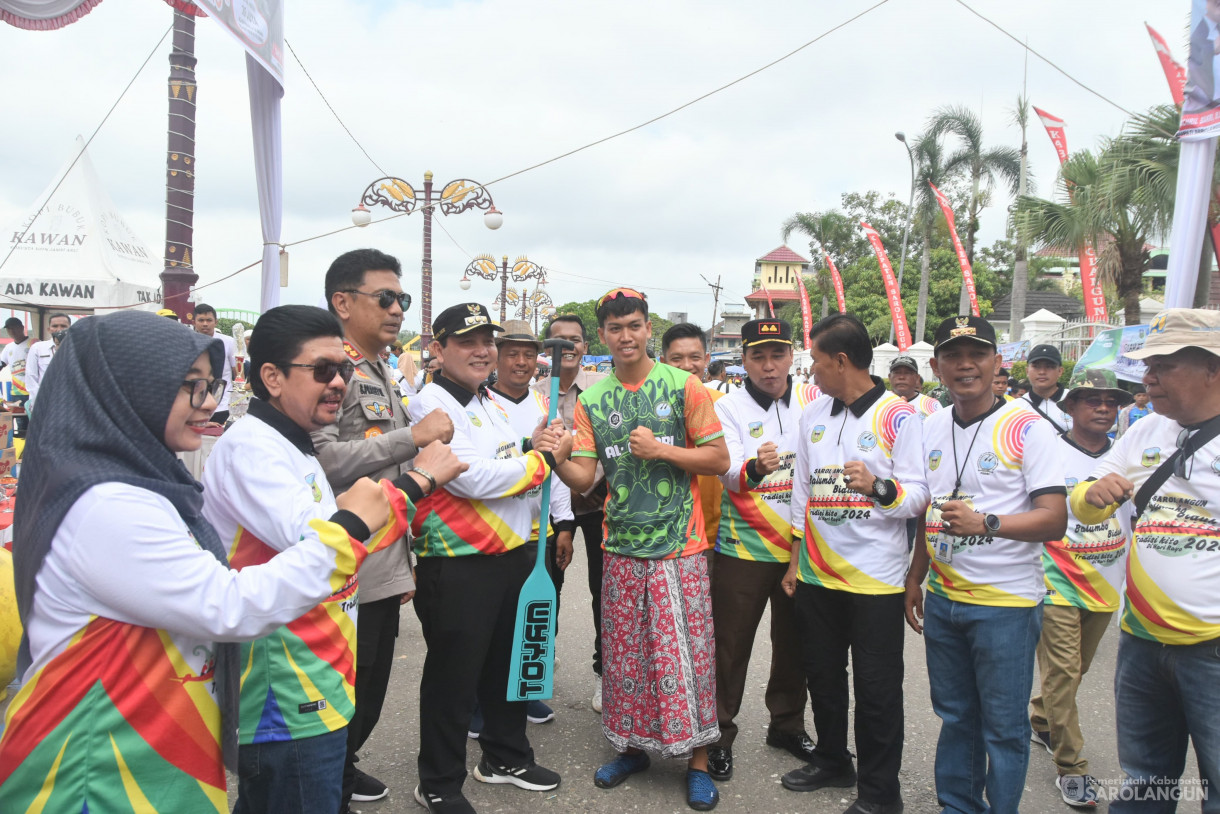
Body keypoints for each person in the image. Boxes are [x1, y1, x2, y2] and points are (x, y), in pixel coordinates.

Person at [0, 311, 401, 813]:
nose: (209, 401)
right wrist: (351, 529)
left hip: (148, 756)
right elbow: (228, 605)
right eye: (189, 386)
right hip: (98, 774)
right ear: (126, 390)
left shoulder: (131, 483)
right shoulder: (107, 505)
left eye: (210, 384)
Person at [201, 305, 463, 813]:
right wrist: (417, 481)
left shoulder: (292, 444)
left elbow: (347, 538)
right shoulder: (252, 448)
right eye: (322, 370)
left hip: (319, 671)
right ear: (271, 377)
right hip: (285, 687)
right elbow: (323, 545)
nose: (339, 383)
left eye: (342, 369)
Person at [553, 288, 729, 812]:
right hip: (621, 547)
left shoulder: (684, 387)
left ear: (648, 328)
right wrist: (558, 457)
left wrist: (661, 450)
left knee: (687, 657)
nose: (625, 336)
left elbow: (718, 458)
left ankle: (697, 760)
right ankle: (630, 748)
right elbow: (586, 477)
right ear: (603, 336)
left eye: (633, 325)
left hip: (681, 546)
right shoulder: (593, 400)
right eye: (614, 328)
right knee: (625, 655)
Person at [409, 302, 568, 814]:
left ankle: (504, 757)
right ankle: (438, 781)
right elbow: (471, 475)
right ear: (438, 350)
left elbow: (506, 456)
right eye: (466, 342)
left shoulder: (488, 401)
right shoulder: (430, 404)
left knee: (509, 665)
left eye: (486, 342)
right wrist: (540, 459)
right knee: (453, 680)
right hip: (457, 561)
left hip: (512, 555)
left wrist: (529, 447)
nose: (482, 351)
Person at [904, 315, 1067, 814]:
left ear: (998, 363)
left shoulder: (1027, 427)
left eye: (977, 354)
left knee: (1004, 727)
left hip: (1007, 606)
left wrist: (987, 523)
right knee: (956, 717)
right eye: (953, 356)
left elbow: (1054, 519)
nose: (965, 365)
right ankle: (958, 805)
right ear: (937, 367)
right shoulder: (929, 425)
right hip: (947, 601)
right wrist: (915, 578)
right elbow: (930, 507)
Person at [311, 248, 454, 811]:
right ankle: (330, 784)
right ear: (342, 303)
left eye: (404, 299)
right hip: (349, 557)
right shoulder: (334, 369)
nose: (398, 310)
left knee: (366, 689)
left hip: (382, 554)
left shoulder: (376, 366)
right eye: (385, 298)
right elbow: (324, 461)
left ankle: (341, 769)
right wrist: (413, 439)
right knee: (350, 688)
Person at [1074, 308, 1220, 811]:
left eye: (1164, 365)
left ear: (1213, 368)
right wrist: (1092, 494)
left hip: (1212, 650)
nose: (1148, 377)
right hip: (1140, 640)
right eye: (1148, 365)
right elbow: (1081, 502)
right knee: (1143, 783)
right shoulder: (1145, 431)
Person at [780, 314, 927, 814]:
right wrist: (795, 558)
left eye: (817, 363)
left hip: (875, 582)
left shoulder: (899, 417)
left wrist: (880, 488)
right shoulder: (814, 415)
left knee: (877, 691)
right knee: (822, 674)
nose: (812, 373)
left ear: (841, 361)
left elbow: (919, 496)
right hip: (817, 574)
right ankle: (832, 759)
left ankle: (881, 794)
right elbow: (802, 490)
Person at [705, 318, 818, 785]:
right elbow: (726, 473)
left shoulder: (815, 401)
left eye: (777, 355)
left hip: (801, 547)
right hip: (743, 547)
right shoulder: (727, 406)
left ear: (792, 356)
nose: (769, 367)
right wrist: (753, 467)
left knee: (795, 643)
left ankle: (787, 725)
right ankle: (717, 735)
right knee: (730, 647)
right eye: (758, 357)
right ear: (743, 361)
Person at [1026, 369, 1132, 809]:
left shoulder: (1130, 457)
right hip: (1056, 584)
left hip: (1107, 585)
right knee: (1065, 673)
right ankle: (1073, 768)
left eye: (1111, 401)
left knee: (1073, 672)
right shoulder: (1048, 454)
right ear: (1069, 407)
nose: (1103, 408)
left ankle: (1040, 715)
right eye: (1092, 400)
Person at [485, 319, 572, 729]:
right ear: (496, 356)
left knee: (539, 615)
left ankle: (528, 690)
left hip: (542, 532)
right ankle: (478, 701)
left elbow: (556, 469)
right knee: (495, 623)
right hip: (496, 531)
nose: (520, 362)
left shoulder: (545, 405)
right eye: (511, 353)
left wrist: (565, 522)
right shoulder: (481, 403)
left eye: (527, 354)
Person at [537, 313, 609, 712]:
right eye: (558, 341)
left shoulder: (602, 389)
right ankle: (541, 658)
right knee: (550, 587)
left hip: (599, 502)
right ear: (547, 348)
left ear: (585, 346)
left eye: (575, 340)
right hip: (550, 509)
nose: (567, 347)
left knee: (604, 591)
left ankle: (605, 672)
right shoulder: (533, 393)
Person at [661, 323, 725, 574]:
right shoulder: (650, 407)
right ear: (663, 361)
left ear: (707, 360)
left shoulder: (725, 405)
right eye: (677, 358)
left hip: (718, 533)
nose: (687, 365)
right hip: (669, 535)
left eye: (695, 357)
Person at [192, 303, 238, 425]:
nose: (205, 324)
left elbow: (237, 372)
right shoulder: (187, 341)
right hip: (194, 404)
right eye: (201, 320)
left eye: (209, 320)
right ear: (194, 322)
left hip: (223, 405)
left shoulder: (228, 342)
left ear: (216, 322)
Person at [25, 312, 70, 414]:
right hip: (43, 404)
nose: (59, 329)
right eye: (55, 326)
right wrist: (39, 402)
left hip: (68, 404)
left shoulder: (76, 348)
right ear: (49, 329)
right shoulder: (37, 348)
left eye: (63, 326)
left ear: (70, 328)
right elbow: (31, 377)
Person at [1022, 344, 1071, 434]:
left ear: (1060, 371)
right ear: (1027, 371)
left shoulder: (1075, 401)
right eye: (1036, 366)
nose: (1042, 372)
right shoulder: (1017, 407)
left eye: (1049, 366)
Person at [0, 316, 32, 436]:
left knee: (34, 422)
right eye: (9, 329)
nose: (12, 331)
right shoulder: (8, 348)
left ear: (22, 328)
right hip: (17, 393)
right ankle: (22, 450)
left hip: (33, 392)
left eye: (14, 328)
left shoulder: (33, 344)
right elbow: (1, 364)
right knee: (21, 424)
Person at [888, 355, 941, 419]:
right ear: (889, 377)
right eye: (897, 373)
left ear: (917, 378)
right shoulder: (880, 402)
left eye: (907, 373)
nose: (901, 377)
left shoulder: (933, 405)